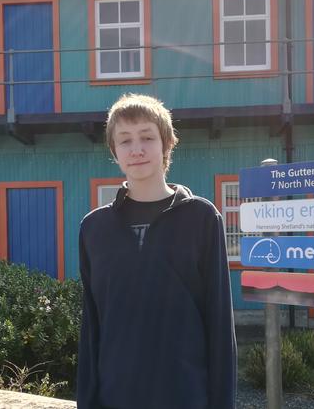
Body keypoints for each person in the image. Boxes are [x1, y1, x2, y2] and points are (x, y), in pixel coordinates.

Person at [77, 94, 237, 409]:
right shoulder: (94, 228)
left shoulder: (202, 218)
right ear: (114, 151)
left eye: (147, 137)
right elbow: (91, 329)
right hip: (115, 398)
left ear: (166, 144)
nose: (136, 149)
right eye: (125, 140)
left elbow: (220, 326)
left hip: (185, 398)